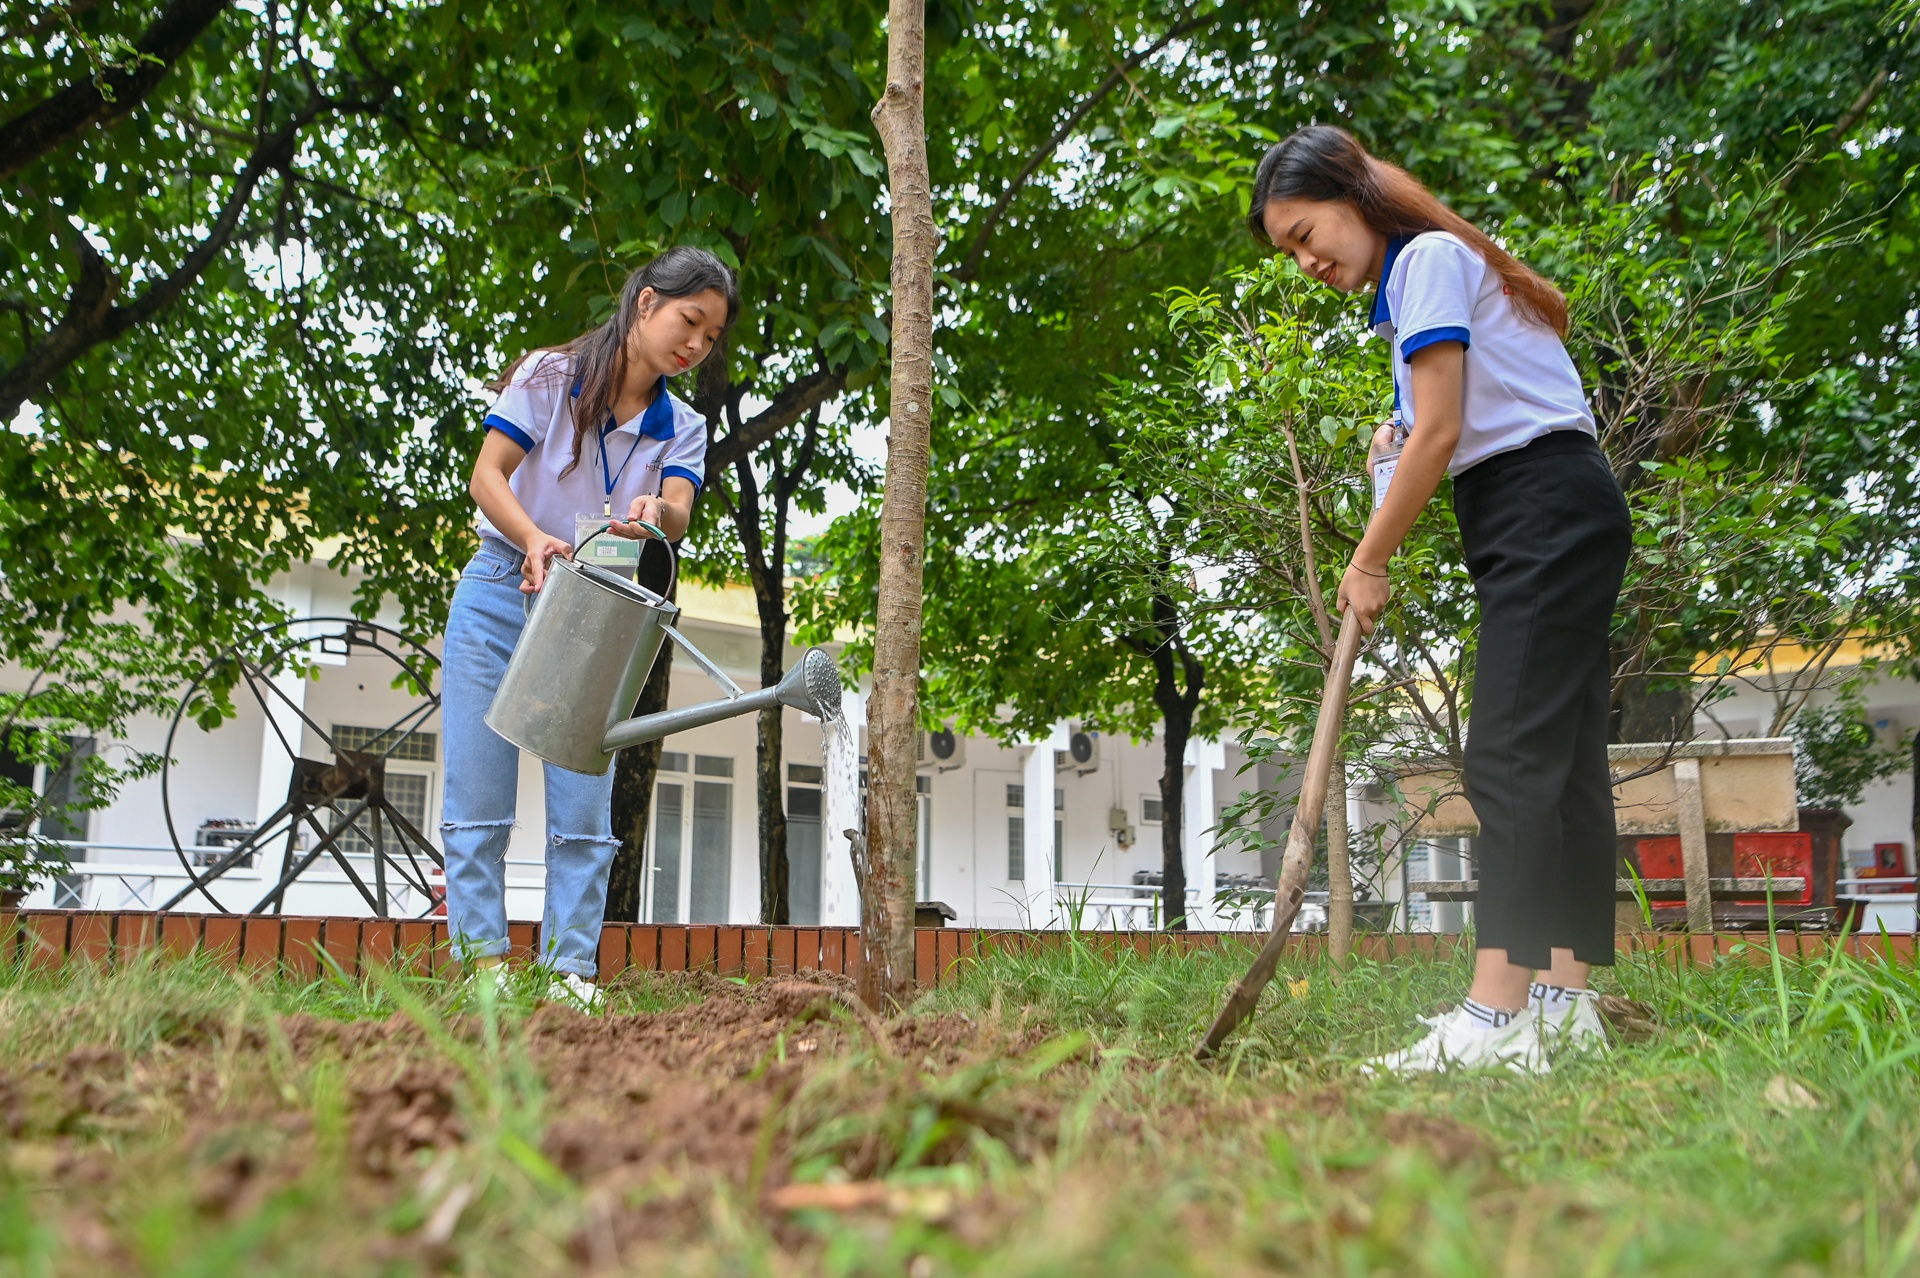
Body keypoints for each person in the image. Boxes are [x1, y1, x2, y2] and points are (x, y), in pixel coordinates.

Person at [1247, 126, 1631, 1073]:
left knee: (1504, 757)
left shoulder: (1425, 259)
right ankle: (1562, 1004)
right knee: (1561, 760)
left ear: (1351, 193)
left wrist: (1369, 560)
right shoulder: (1419, 284)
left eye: (1305, 232)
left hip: (1541, 505)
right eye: (1289, 252)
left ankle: (1494, 1020)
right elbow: (1432, 424)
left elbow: (1445, 430)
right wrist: (1395, 434)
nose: (1305, 262)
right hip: (1545, 508)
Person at [441, 246, 738, 1010]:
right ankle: (483, 968)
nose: (696, 344)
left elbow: (679, 511)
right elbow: (486, 475)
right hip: (504, 583)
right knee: (479, 798)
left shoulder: (684, 426)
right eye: (688, 321)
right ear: (645, 304)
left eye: (710, 336)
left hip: (592, 606)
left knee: (582, 807)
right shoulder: (548, 375)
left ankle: (570, 972)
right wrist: (533, 537)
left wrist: (656, 515)